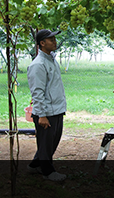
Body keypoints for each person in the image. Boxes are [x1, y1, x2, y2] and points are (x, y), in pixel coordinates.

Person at [26, 29, 67, 182]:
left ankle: (34, 165)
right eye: (51, 39)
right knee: (46, 144)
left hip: (56, 109)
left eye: (54, 39)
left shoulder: (51, 60)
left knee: (50, 142)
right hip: (46, 112)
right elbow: (37, 91)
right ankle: (48, 172)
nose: (54, 41)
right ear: (42, 43)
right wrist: (41, 115)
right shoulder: (38, 64)